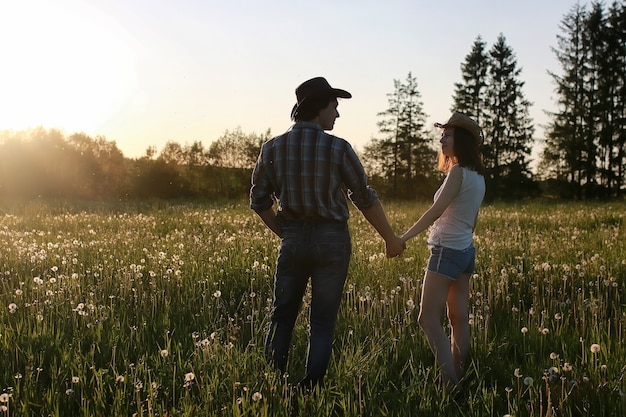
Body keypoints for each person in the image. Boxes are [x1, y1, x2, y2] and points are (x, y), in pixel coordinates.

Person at [250, 76, 405, 390]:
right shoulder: (339, 148)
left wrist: (286, 233)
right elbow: (364, 197)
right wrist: (389, 237)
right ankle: (311, 388)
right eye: (334, 105)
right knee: (322, 319)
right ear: (319, 107)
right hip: (332, 241)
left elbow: (258, 201)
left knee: (282, 314)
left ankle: (273, 385)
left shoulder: (273, 147)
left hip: (292, 239)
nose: (337, 113)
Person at [399, 112, 485, 389]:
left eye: (447, 135)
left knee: (427, 318)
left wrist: (404, 237)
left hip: (447, 251)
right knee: (458, 318)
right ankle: (458, 373)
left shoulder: (457, 172)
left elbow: (436, 210)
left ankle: (449, 382)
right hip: (465, 252)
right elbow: (471, 219)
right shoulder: (478, 176)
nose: (441, 139)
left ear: (460, 140)